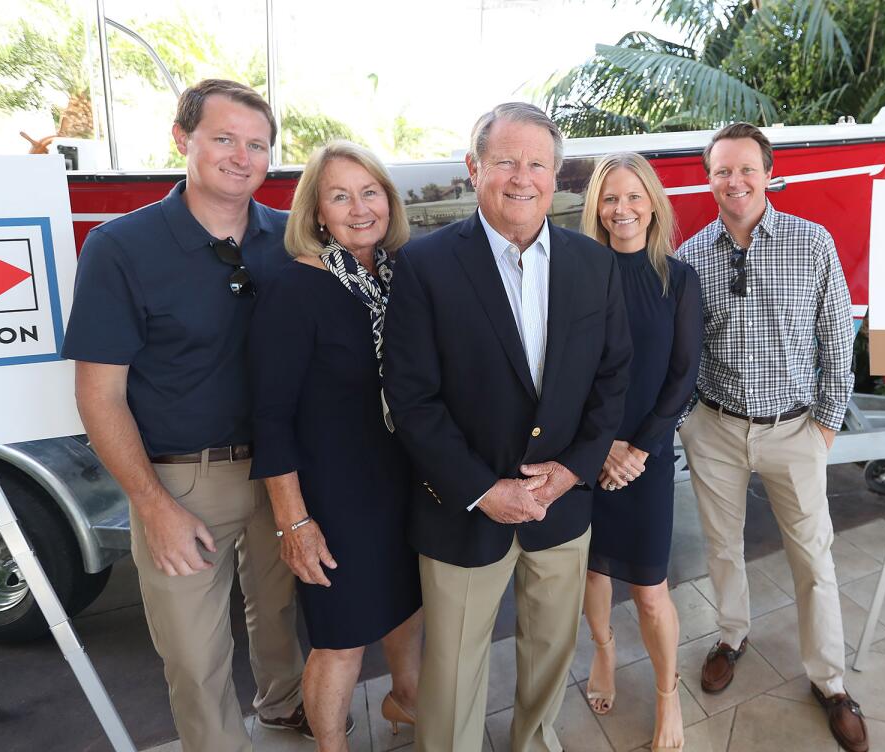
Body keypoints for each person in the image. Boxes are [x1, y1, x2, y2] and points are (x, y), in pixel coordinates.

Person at [63, 79, 305, 752]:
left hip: (281, 474)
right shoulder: (120, 247)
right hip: (178, 482)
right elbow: (99, 395)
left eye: (257, 144)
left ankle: (285, 711)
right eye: (224, 138)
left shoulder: (288, 240)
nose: (242, 156)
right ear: (183, 139)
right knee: (196, 661)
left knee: (282, 619)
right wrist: (152, 505)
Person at [382, 102, 632, 752]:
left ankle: (534, 743)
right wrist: (484, 488)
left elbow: (612, 379)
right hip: (463, 512)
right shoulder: (424, 266)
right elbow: (412, 399)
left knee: (552, 654)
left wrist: (575, 467)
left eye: (537, 164)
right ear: (474, 169)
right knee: (454, 673)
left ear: (556, 176)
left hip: (562, 506)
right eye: (505, 161)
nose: (522, 177)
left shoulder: (593, 264)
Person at [675, 123, 869, 752]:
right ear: (710, 179)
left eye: (745, 169)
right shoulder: (692, 256)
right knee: (722, 546)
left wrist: (829, 416)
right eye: (721, 171)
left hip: (794, 428)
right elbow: (682, 349)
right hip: (716, 427)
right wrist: (686, 419)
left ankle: (831, 681)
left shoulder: (811, 243)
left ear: (768, 173)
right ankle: (732, 635)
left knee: (813, 557)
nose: (734, 182)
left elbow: (837, 330)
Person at [248, 141, 424, 750]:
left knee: (406, 608)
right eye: (340, 196)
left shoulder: (400, 275)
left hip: (404, 479)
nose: (359, 208)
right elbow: (270, 418)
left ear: (388, 200)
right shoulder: (295, 288)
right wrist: (293, 521)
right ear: (317, 212)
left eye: (369, 192)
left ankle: (408, 705)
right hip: (335, 495)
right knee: (341, 638)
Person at [578, 153, 701, 752]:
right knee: (593, 569)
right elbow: (566, 372)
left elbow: (682, 377)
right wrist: (600, 449)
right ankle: (604, 656)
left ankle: (666, 694)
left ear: (652, 202)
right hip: (590, 452)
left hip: (646, 456)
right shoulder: (578, 273)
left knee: (651, 590)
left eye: (633, 196)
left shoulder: (679, 280)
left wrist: (639, 450)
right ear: (595, 209)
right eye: (609, 198)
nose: (621, 209)